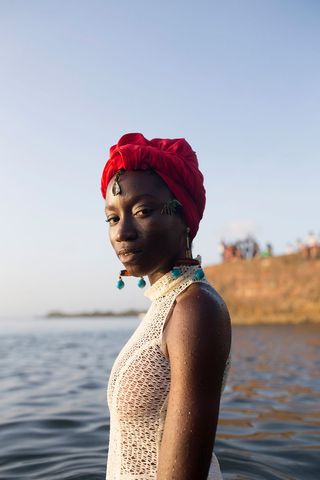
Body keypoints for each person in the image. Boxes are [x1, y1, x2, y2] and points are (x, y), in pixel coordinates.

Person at [101, 133, 232, 480]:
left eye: (142, 211)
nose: (122, 232)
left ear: (185, 217)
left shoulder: (196, 308)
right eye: (112, 218)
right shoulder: (167, 304)